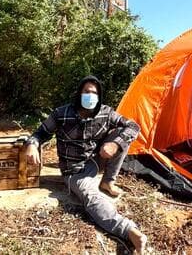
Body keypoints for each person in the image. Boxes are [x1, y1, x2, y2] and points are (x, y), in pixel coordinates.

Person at [25, 75, 148, 253]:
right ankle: (128, 230)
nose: (91, 96)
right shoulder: (62, 114)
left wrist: (114, 144)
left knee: (123, 137)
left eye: (94, 93)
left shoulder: (106, 112)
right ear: (79, 94)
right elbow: (40, 132)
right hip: (74, 171)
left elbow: (133, 126)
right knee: (92, 197)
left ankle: (108, 181)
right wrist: (31, 145)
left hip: (97, 160)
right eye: (87, 92)